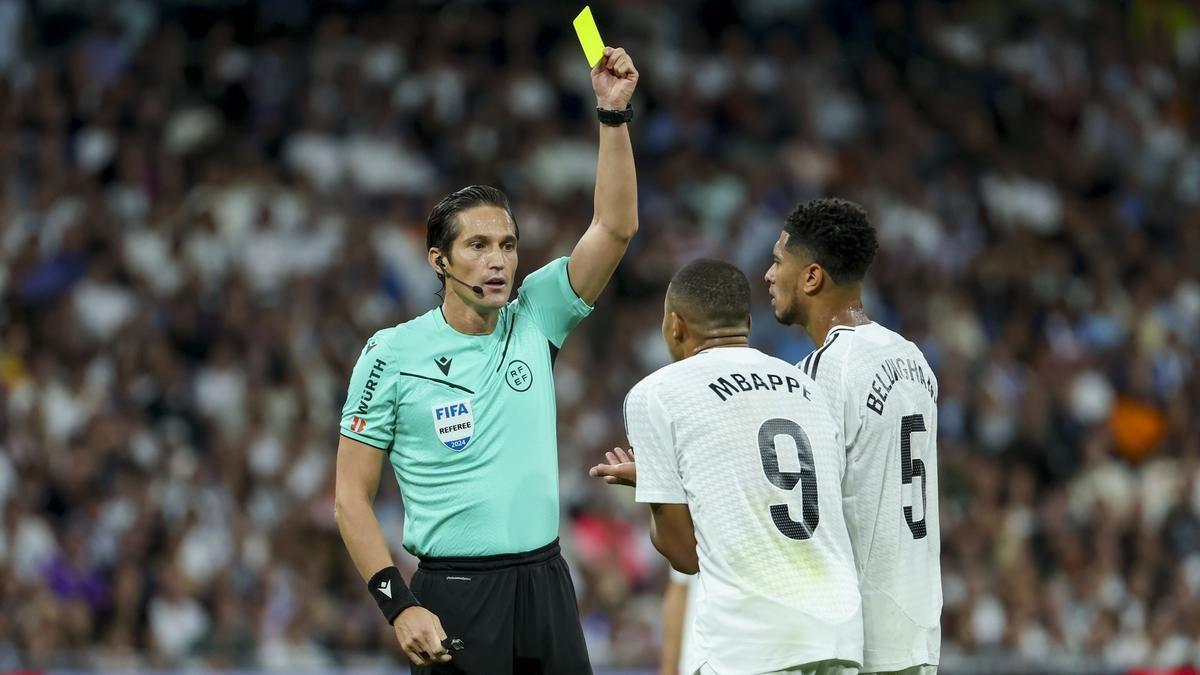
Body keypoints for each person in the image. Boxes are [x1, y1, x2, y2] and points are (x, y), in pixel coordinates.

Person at [333, 46, 640, 673]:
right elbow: (350, 497)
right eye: (477, 245)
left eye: (507, 244)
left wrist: (613, 116)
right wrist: (398, 604)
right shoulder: (392, 353)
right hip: (456, 596)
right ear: (438, 260)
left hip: (547, 584)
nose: (497, 260)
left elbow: (614, 227)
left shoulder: (536, 317)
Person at [591, 259, 863, 675]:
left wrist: (656, 490)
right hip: (839, 632)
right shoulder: (806, 385)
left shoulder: (657, 393)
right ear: (749, 323)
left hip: (753, 642)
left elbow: (686, 557)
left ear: (676, 325)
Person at [764, 198, 941, 675]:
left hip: (857, 641)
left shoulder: (821, 372)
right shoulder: (913, 358)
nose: (767, 275)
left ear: (812, 277)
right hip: (918, 630)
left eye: (778, 261)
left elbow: (802, 514)